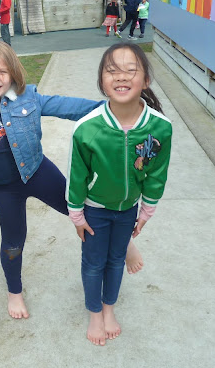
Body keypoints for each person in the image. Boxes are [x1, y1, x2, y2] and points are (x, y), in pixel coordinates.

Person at [0, 41, 145, 320]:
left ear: (14, 74)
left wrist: (113, 108)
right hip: (3, 189)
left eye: (2, 72)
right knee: (13, 242)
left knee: (84, 212)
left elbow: (67, 106)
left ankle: (124, 245)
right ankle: (14, 291)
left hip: (38, 173)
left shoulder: (28, 99)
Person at [66, 43, 172, 346]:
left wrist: (147, 210)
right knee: (93, 263)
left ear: (146, 80)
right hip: (95, 209)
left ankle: (109, 309)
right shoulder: (87, 129)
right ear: (102, 81)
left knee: (115, 261)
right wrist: (76, 214)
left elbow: (156, 174)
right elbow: (76, 176)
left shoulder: (160, 128)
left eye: (131, 70)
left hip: (128, 209)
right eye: (112, 71)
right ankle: (94, 313)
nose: (121, 76)